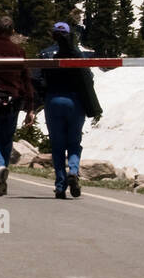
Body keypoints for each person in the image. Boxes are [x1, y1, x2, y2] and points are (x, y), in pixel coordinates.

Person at [32, 21, 103, 199]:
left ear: (53, 35)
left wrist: (40, 99)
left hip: (53, 100)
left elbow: (36, 79)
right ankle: (73, 169)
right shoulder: (77, 54)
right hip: (75, 101)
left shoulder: (45, 54)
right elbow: (88, 78)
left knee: (57, 145)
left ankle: (60, 185)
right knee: (73, 142)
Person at [0, 16, 34, 197]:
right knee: (6, 141)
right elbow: (26, 80)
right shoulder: (19, 51)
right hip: (13, 102)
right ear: (12, 32)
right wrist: (30, 107)